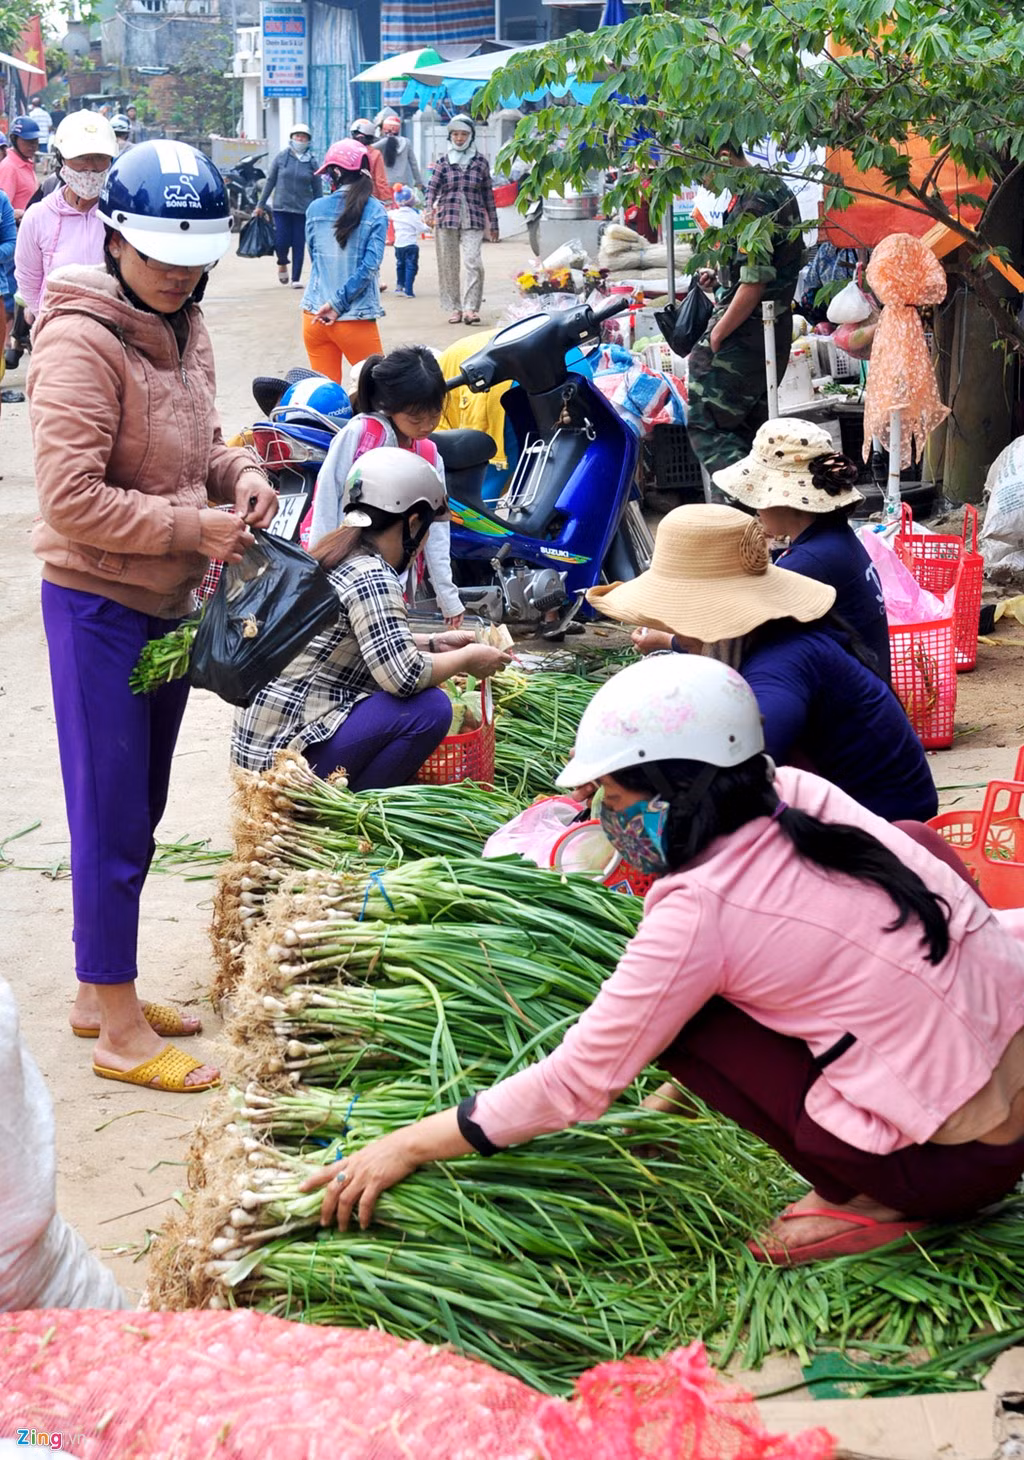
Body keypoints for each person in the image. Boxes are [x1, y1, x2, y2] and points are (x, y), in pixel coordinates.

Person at [303, 653, 1024, 1265]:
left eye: (613, 796)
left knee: (684, 1023)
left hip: (953, 1167)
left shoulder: (697, 909)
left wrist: (409, 1145)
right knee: (910, 844)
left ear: (683, 794)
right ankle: (880, 1154)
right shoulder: (796, 792)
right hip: (1004, 1094)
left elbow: (579, 1082)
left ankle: (873, 1202)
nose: (599, 816)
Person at [27, 140, 278, 1094]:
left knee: (141, 804)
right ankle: (119, 1032)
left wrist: (240, 473)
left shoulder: (187, 321)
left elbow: (198, 443)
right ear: (117, 238)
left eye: (194, 256)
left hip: (168, 601)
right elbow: (69, 499)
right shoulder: (79, 341)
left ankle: (102, 991)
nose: (177, 272)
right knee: (110, 814)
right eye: (159, 255)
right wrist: (195, 527)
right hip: (97, 603)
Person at [588, 504, 936, 823]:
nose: (675, 632)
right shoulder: (764, 644)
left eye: (679, 618)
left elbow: (743, 762)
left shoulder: (783, 661)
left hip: (885, 832)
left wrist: (631, 774)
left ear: (715, 616)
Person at [233, 450, 507, 787]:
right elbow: (404, 677)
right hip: (286, 764)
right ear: (412, 523)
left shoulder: (332, 553)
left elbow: (353, 638)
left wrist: (434, 643)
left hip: (257, 754)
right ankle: (352, 806)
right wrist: (468, 658)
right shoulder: (372, 574)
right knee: (429, 709)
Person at [714, 418, 890, 679]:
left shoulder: (809, 561)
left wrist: (668, 641)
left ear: (785, 501)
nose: (757, 510)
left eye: (760, 498)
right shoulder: (835, 537)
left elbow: (742, 633)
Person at [306, 345, 465, 626]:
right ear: (388, 406)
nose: (427, 425)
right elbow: (327, 497)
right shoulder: (360, 434)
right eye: (416, 418)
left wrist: (448, 597)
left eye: (435, 414)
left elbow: (437, 530)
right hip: (343, 566)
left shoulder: (429, 455)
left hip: (394, 577)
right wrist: (318, 575)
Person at [686, 147, 804, 478]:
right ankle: (762, 522)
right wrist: (720, 276)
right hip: (764, 333)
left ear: (723, 156)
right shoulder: (759, 191)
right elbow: (750, 271)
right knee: (753, 432)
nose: (704, 184)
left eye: (702, 172)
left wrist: (716, 336)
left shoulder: (758, 201)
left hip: (748, 334)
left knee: (705, 421)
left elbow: (754, 285)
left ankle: (743, 508)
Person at [15, 112, 119, 324]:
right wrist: (47, 320)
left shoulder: (121, 214)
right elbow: (28, 280)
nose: (90, 166)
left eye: (100, 157)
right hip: (57, 336)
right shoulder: (38, 216)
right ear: (61, 158)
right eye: (81, 157)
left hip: (114, 331)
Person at [302, 139, 386, 383]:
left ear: (336, 172)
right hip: (354, 319)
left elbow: (314, 257)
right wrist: (338, 304)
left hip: (314, 316)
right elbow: (370, 267)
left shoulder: (315, 208)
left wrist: (330, 304)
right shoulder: (376, 210)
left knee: (327, 399)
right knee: (381, 396)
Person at [424, 114, 498, 326]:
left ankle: (470, 308)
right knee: (449, 265)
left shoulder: (480, 163)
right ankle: (454, 308)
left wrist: (494, 224)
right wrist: (428, 209)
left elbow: (488, 195)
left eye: (463, 134)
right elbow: (431, 189)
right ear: (450, 136)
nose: (459, 138)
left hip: (473, 219)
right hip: (447, 218)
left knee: (473, 262)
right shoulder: (443, 162)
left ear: (471, 136)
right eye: (455, 134)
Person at [253, 122, 322, 288]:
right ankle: (282, 262)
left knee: (299, 243)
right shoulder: (281, 158)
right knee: (281, 241)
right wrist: (260, 205)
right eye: (297, 136)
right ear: (292, 138)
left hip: (303, 209)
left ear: (308, 141)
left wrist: (319, 210)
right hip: (282, 207)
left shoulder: (312, 162)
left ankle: (296, 278)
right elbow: (270, 182)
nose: (300, 139)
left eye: (303, 137)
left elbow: (317, 187)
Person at [0, 117, 41, 219]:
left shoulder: (26, 163)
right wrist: (18, 214)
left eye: (35, 141)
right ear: (14, 139)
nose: (33, 146)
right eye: (28, 141)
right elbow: (2, 209)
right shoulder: (9, 167)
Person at [373, 111, 423, 192]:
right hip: (403, 183)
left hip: (386, 182)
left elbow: (368, 149)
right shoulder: (406, 142)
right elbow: (413, 164)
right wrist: (418, 181)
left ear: (384, 128)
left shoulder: (381, 143)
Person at [350, 117, 396, 203]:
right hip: (370, 197)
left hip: (349, 196)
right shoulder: (375, 154)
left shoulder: (347, 151)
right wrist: (388, 199)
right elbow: (380, 181)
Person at [390, 185, 422, 297]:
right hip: (411, 245)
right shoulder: (414, 214)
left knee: (400, 265)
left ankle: (399, 287)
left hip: (398, 245)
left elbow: (387, 214)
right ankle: (408, 290)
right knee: (411, 267)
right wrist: (428, 227)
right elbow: (420, 227)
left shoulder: (395, 213)